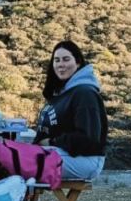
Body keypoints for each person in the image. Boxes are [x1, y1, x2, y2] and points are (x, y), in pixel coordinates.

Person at [34, 40, 107, 181]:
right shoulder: (62, 93)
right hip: (64, 153)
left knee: (14, 162)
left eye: (66, 59)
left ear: (78, 62)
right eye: (57, 60)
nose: (61, 64)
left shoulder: (85, 93)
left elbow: (88, 138)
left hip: (84, 160)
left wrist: (52, 142)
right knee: (9, 156)